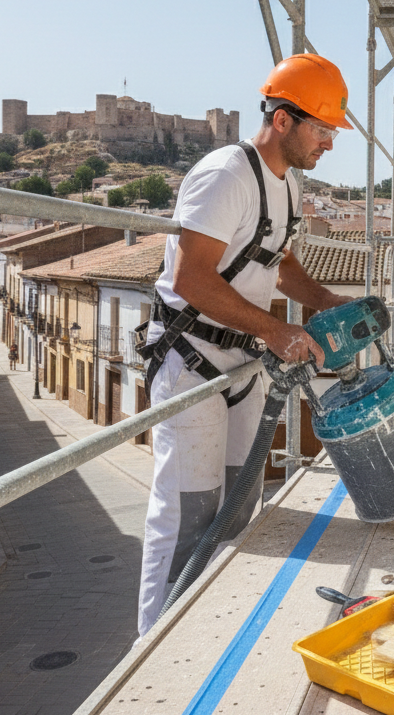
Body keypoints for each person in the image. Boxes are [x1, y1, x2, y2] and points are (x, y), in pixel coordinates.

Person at [136, 53, 355, 637]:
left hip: (240, 364)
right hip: (191, 361)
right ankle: (155, 649)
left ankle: (208, 628)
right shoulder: (225, 175)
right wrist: (275, 330)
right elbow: (191, 278)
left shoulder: (285, 187)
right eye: (323, 128)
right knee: (189, 513)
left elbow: (279, 267)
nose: (330, 143)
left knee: (239, 505)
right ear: (283, 120)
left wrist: (327, 303)